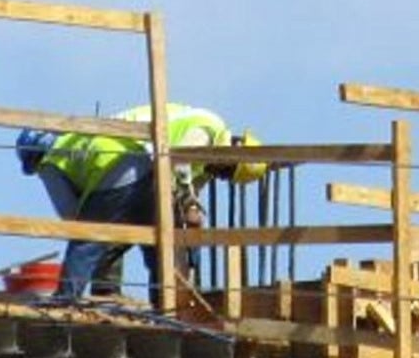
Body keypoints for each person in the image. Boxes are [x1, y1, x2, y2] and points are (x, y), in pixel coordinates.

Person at [31, 103, 264, 302]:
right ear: (233, 152)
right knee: (94, 236)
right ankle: (76, 298)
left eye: (226, 178)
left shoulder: (207, 161)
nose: (220, 176)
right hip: (122, 153)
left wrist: (189, 213)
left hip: (137, 164)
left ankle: (161, 300)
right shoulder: (209, 128)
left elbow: (190, 192)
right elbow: (178, 159)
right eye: (226, 172)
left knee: (158, 244)